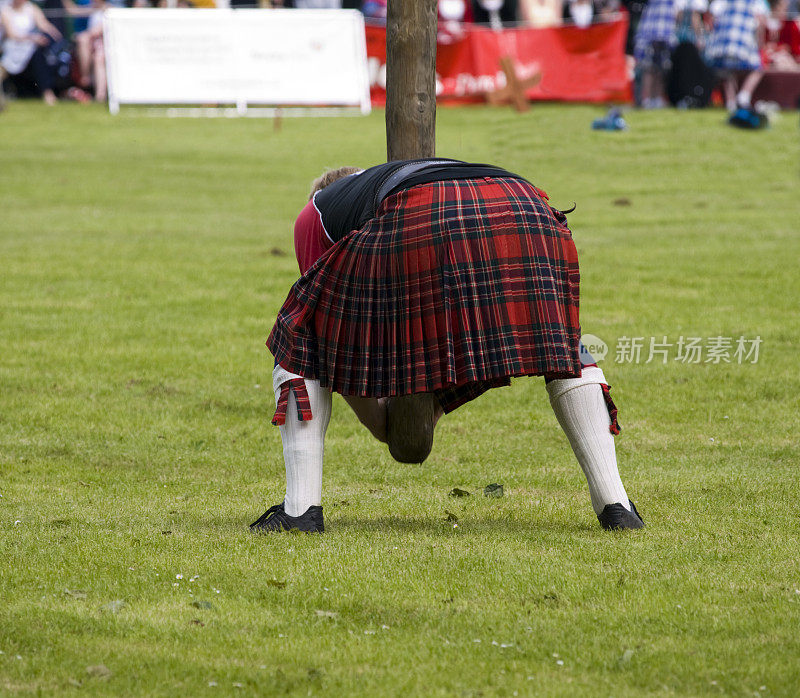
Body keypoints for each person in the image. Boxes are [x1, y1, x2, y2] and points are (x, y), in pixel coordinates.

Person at [251, 159, 645, 534]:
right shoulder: (392, 184)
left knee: (301, 336)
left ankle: (300, 511)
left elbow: (332, 341)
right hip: (527, 207)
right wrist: (436, 404)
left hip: (428, 215)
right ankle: (616, 505)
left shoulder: (316, 211)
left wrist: (383, 428)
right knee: (559, 345)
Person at [705, 0, 769, 111]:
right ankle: (744, 95)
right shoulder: (757, 2)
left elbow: (712, 21)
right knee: (758, 68)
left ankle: (731, 102)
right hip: (743, 40)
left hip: (724, 42)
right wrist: (760, 43)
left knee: (728, 72)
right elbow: (761, 23)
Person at [0, 0, 62, 106]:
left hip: (29, 47)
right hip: (11, 48)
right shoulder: (5, 11)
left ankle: (47, 92)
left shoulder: (32, 8)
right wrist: (32, 38)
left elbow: (44, 25)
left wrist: (57, 37)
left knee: (37, 55)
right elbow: (11, 35)